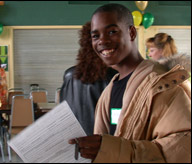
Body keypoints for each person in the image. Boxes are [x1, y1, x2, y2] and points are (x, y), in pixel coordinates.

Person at [69, 3, 191, 163]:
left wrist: (110, 150)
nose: (102, 41)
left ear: (131, 32)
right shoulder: (110, 89)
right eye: (95, 36)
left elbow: (182, 150)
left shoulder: (163, 87)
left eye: (112, 32)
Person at [60, 22, 117, 136]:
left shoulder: (69, 75)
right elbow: (117, 121)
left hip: (75, 142)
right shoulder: (115, 76)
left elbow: (63, 114)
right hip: (103, 143)